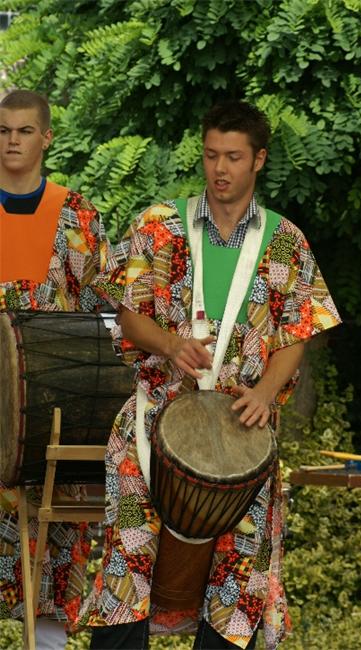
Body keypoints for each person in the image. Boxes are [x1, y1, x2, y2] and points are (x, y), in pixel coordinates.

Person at [76, 100, 341, 649]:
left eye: (234, 157)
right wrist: (171, 344)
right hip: (152, 426)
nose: (220, 169)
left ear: (259, 160)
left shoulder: (286, 241)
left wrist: (266, 392)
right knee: (128, 568)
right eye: (211, 155)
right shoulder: (158, 225)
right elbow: (128, 315)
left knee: (238, 584)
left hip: (243, 436)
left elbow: (298, 332)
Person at [0, 89, 110, 649]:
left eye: (24, 131)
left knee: (54, 563)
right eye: (3, 131)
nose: (11, 141)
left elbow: (106, 314)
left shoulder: (77, 215)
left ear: (45, 137)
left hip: (56, 420)